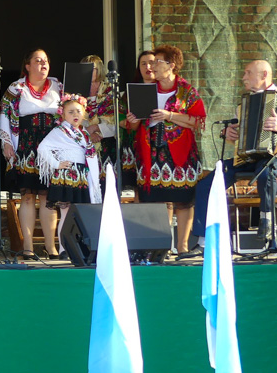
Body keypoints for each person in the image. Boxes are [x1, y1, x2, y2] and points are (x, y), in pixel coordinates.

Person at [188, 59, 277, 252]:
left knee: (265, 171)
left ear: (264, 75)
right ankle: (204, 241)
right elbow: (243, 138)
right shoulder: (244, 105)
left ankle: (267, 226)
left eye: (248, 73)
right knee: (207, 184)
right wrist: (229, 134)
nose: (244, 77)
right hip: (250, 158)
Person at [126, 44, 205, 254]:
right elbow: (133, 127)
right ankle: (163, 247)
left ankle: (183, 246)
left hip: (181, 152)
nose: (152, 65)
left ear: (170, 65)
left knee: (183, 201)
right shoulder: (145, 89)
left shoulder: (186, 91)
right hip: (151, 151)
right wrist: (133, 120)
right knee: (158, 200)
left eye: (157, 61)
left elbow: (198, 121)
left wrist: (169, 116)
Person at [0, 48, 62, 259]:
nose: (43, 65)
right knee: (27, 197)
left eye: (46, 61)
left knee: (47, 197)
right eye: (38, 60)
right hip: (25, 142)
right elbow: (4, 114)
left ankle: (50, 246)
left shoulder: (58, 87)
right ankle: (27, 246)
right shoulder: (16, 88)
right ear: (27, 65)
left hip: (51, 144)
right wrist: (7, 142)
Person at [37, 94, 102, 253]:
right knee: (66, 213)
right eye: (71, 112)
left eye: (78, 111)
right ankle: (63, 250)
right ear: (63, 114)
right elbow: (42, 148)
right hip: (67, 176)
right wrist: (56, 163)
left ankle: (79, 248)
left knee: (79, 214)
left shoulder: (84, 134)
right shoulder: (59, 131)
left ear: (84, 114)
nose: (75, 115)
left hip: (80, 176)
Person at [121, 51, 156, 190]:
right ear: (139, 68)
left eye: (151, 63)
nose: (148, 67)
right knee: (140, 191)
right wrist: (132, 121)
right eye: (143, 64)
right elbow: (126, 123)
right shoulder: (129, 94)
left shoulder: (165, 90)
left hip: (161, 146)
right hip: (137, 147)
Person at [81, 55, 116, 169]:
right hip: (83, 143)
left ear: (99, 69)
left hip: (107, 144)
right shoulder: (76, 92)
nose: (88, 72)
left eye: (92, 68)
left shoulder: (110, 90)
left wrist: (97, 128)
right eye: (85, 69)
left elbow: (115, 119)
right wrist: (88, 134)